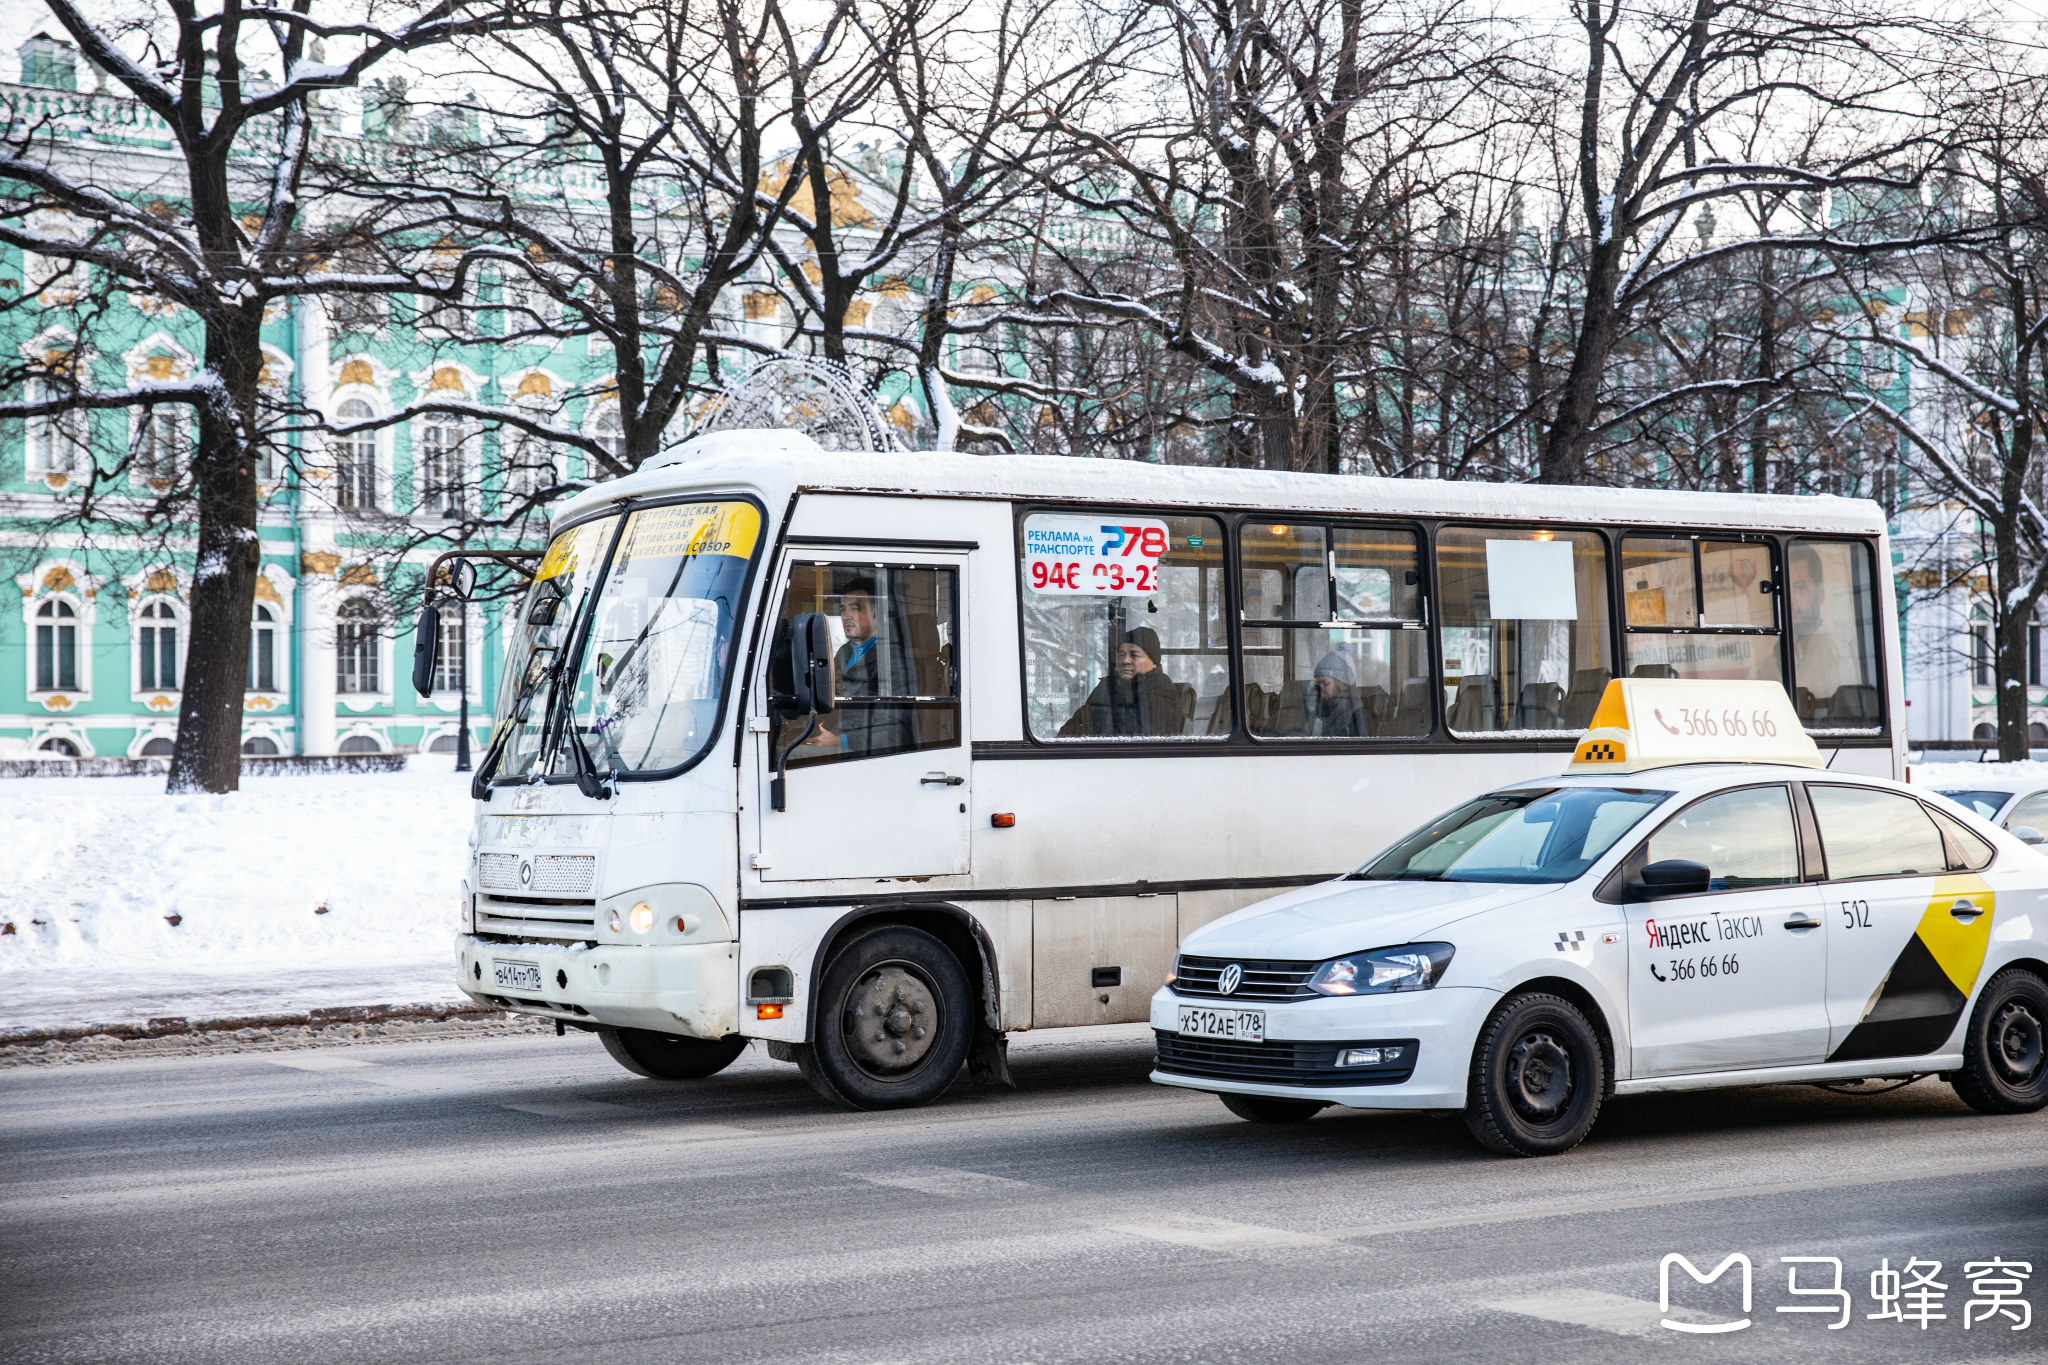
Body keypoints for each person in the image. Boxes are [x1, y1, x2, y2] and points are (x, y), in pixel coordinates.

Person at [1058, 626, 1186, 737]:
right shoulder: (1107, 686)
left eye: (1134, 655)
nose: (1125, 661)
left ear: (1153, 662)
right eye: (1121, 655)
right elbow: (1074, 726)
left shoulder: (1162, 691)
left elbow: (1130, 733)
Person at [1788, 545, 1847, 714]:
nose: (1790, 600)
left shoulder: (1839, 650)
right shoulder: (1774, 658)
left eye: (1800, 588)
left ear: (1820, 593)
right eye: (1785, 589)